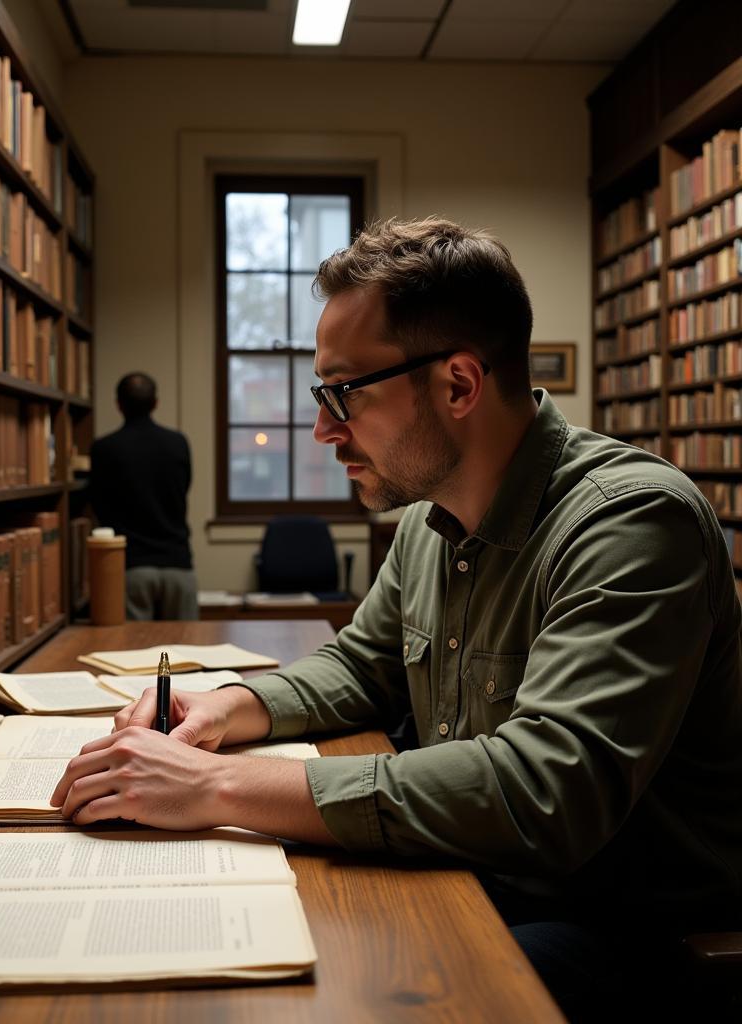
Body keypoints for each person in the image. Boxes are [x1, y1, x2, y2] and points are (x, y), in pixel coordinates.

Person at [54, 218, 742, 1018]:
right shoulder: (428, 518)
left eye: (344, 392)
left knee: (378, 999)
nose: (321, 427)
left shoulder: (630, 522)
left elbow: (542, 792)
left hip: (625, 923)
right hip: (482, 874)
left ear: (457, 385)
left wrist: (217, 784)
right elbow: (360, 665)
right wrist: (222, 709)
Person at [89, 372, 198, 620]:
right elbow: (184, 487)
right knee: (184, 652)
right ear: (155, 403)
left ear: (118, 405)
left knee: (134, 650)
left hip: (131, 566)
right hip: (178, 564)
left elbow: (98, 503)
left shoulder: (104, 449)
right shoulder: (178, 443)